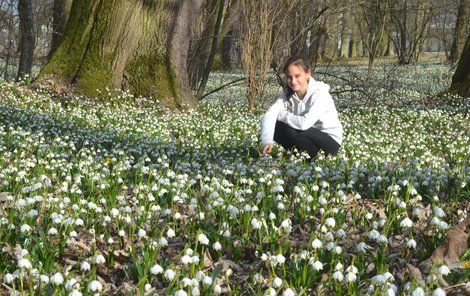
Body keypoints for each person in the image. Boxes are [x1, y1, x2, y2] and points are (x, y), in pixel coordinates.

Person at [260, 56, 343, 159]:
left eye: (297, 76)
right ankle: (303, 157)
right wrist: (267, 140)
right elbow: (269, 115)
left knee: (292, 130)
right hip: (307, 137)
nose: (293, 81)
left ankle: (317, 158)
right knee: (277, 127)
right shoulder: (288, 94)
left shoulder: (320, 93)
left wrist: (282, 115)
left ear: (308, 73)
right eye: (289, 77)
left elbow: (304, 124)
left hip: (330, 142)